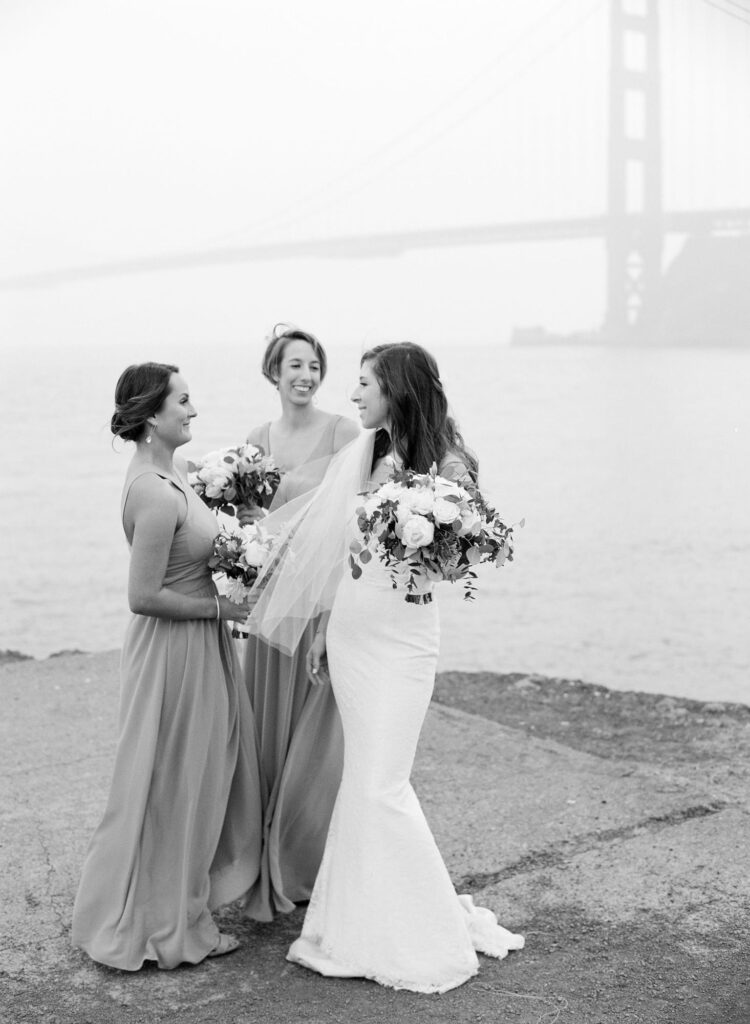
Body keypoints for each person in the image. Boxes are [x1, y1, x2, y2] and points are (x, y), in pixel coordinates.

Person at [248, 342, 524, 993]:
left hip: (403, 640)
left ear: (397, 388)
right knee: (362, 781)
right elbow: (341, 550)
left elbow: (466, 558)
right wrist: (320, 629)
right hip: (351, 629)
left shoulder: (448, 460)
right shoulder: (364, 451)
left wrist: (435, 544)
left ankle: (424, 931)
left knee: (383, 784)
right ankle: (355, 924)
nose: (352, 394)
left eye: (364, 382)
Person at [71, 362, 262, 970]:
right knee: (176, 787)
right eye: (183, 400)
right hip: (176, 656)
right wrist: (221, 606)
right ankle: (171, 926)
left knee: (194, 783)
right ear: (152, 414)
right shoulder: (152, 491)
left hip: (197, 645)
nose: (193, 410)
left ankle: (179, 906)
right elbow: (143, 595)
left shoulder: (171, 474)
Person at [239, 325, 359, 921]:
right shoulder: (256, 440)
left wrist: (328, 620)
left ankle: (308, 862)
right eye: (294, 365)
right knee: (265, 734)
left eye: (314, 365)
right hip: (267, 607)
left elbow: (348, 532)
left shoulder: (345, 433)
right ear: (274, 372)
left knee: (317, 741)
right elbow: (248, 524)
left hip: (318, 609)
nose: (305, 375)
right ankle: (262, 855)